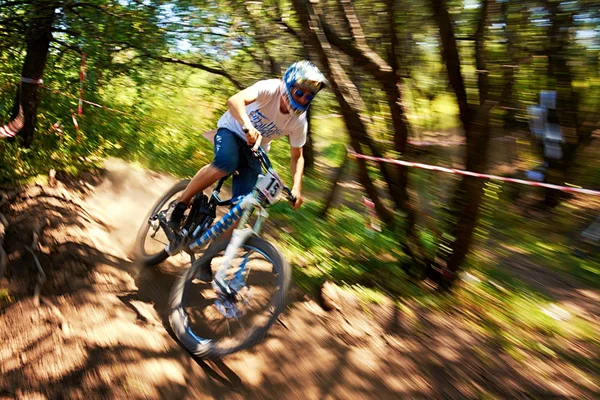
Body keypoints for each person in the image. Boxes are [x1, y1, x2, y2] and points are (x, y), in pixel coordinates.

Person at [168, 60, 328, 230]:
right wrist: (247, 125)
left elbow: (297, 157)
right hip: (232, 130)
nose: (303, 99)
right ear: (289, 85)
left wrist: (297, 188)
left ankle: (215, 249)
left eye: (309, 96)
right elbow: (234, 101)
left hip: (255, 148)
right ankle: (181, 203)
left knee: (245, 205)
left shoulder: (299, 122)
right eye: (299, 92)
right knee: (226, 163)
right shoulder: (271, 88)